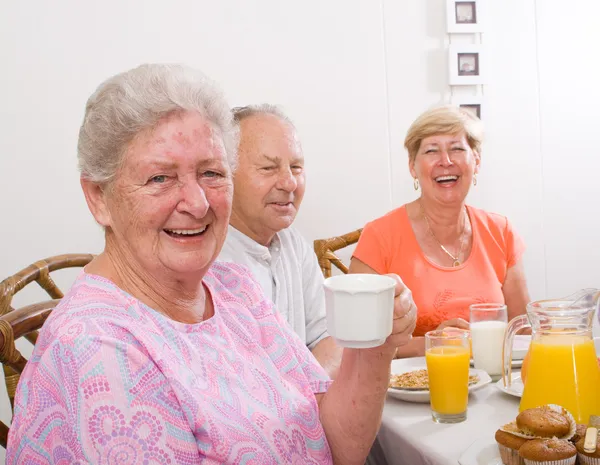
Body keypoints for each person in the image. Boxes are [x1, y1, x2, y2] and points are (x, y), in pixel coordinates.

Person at [6, 64, 417, 464]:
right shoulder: (96, 348)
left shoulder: (232, 286)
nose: (198, 203)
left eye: (211, 173)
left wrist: (376, 346)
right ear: (99, 197)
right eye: (160, 178)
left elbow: (335, 444)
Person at [350, 105, 529, 358]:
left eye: (457, 149)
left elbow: (521, 332)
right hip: (407, 391)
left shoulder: (502, 232)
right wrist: (433, 343)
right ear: (413, 167)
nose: (446, 161)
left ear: (476, 161)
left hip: (491, 384)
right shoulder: (379, 236)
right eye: (432, 151)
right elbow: (357, 343)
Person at [218, 104, 341, 377]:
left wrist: (299, 398)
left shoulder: (293, 243)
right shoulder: (204, 256)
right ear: (224, 174)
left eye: (296, 167)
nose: (289, 183)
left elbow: (328, 337)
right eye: (268, 168)